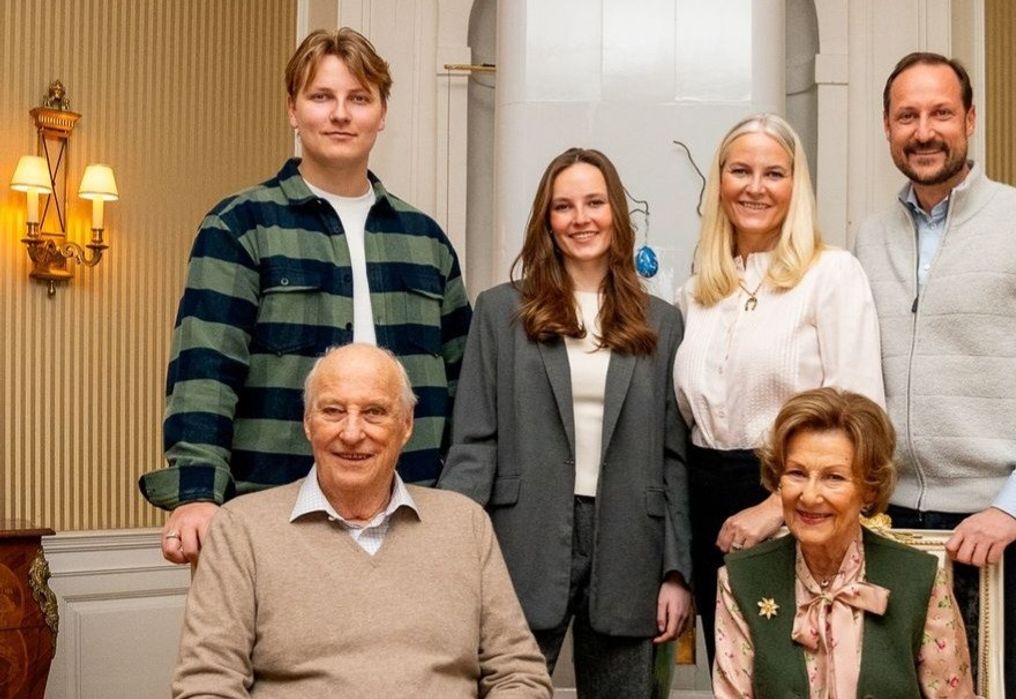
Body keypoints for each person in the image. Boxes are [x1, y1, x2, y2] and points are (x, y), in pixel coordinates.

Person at [138, 28, 471, 565]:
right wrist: (198, 494)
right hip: (274, 509)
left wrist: (456, 501)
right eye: (321, 97)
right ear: (293, 110)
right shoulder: (240, 225)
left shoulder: (425, 241)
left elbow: (465, 387)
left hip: (409, 517)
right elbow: (205, 369)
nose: (340, 114)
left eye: (358, 98)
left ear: (381, 113)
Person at [852, 52, 1016, 699]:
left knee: (1010, 686)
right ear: (886, 127)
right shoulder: (866, 238)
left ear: (969, 117)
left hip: (1006, 527)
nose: (923, 130)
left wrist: (1011, 508)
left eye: (940, 112)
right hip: (894, 524)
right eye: (906, 115)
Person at [438, 148, 692, 697]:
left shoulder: (663, 322)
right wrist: (449, 548)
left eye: (595, 203)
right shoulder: (500, 312)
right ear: (546, 221)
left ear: (616, 214)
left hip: (631, 546)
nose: (581, 219)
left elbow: (673, 458)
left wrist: (676, 571)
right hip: (520, 540)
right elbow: (474, 443)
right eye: (564, 206)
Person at [171, 344, 551, 697]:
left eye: (374, 412)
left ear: (405, 425)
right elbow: (208, 684)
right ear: (307, 423)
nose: (352, 433)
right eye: (333, 411)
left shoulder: (464, 523)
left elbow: (518, 672)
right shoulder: (241, 528)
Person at [673, 113, 884, 659]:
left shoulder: (831, 275)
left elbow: (860, 416)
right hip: (707, 508)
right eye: (741, 170)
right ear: (720, 182)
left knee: (799, 676)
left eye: (775, 173)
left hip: (797, 503)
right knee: (732, 672)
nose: (756, 187)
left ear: (797, 186)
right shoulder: (694, 293)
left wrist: (776, 508)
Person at [714, 387, 976, 698]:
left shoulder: (920, 578)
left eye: (834, 477)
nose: (810, 496)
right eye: (797, 473)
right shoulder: (742, 579)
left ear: (868, 489)